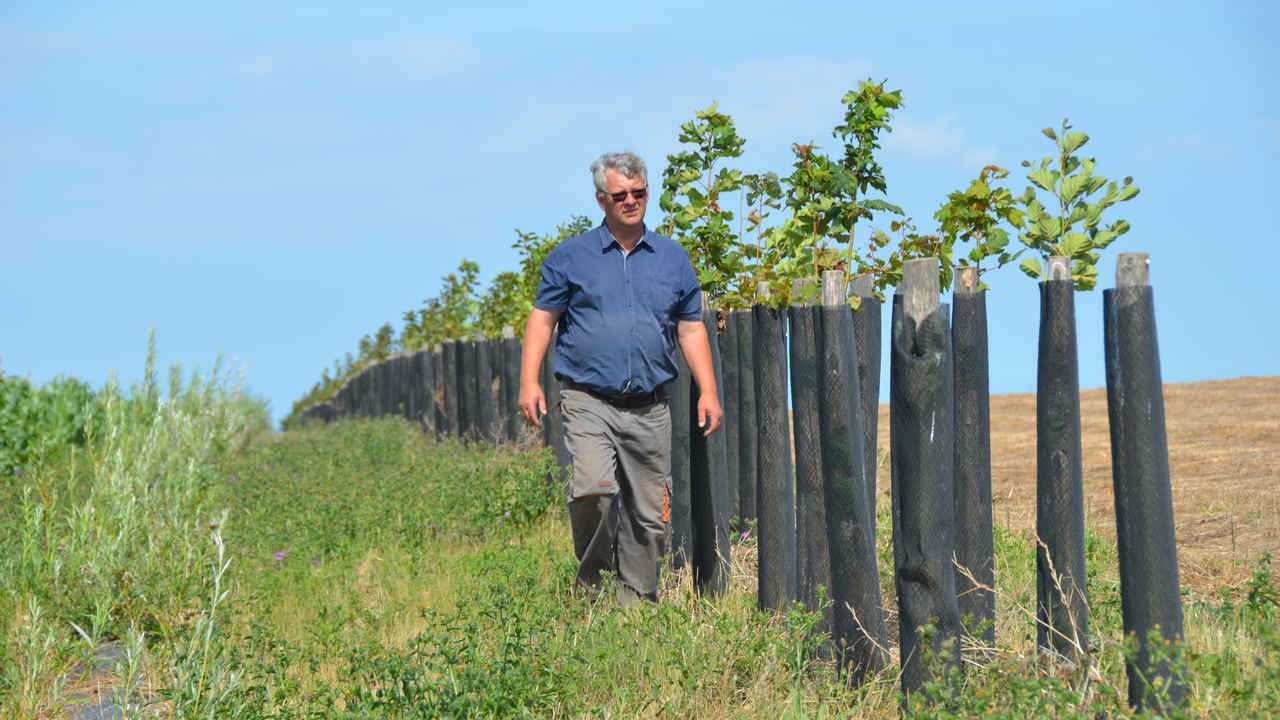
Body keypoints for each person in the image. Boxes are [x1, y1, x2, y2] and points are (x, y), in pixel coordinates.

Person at [519, 150, 723, 605]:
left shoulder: (672, 259)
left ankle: (634, 610)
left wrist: (708, 390)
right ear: (601, 200)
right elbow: (542, 319)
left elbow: (690, 328)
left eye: (639, 193)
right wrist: (528, 381)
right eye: (620, 195)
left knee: (650, 517)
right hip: (588, 399)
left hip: (651, 406)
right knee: (593, 488)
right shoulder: (570, 258)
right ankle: (593, 588)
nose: (630, 201)